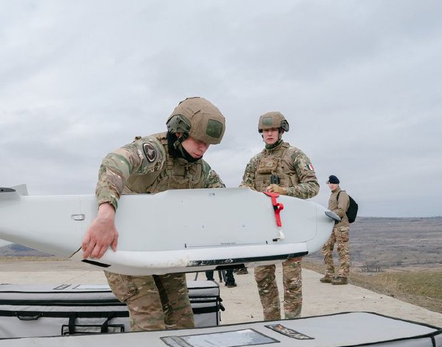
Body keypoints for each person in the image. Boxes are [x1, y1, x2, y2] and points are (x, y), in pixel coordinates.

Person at [82, 97, 226, 331]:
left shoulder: (199, 169)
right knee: (149, 315)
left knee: (181, 317)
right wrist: (106, 214)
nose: (203, 148)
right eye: (199, 141)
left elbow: (222, 199)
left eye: (208, 144)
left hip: (162, 247)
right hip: (125, 248)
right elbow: (115, 162)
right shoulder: (154, 151)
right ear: (179, 131)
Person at [240, 111, 319, 321]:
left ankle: (293, 322)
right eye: (266, 130)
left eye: (273, 129)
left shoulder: (295, 155)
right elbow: (245, 188)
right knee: (263, 279)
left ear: (281, 131)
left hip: (291, 227)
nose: (269, 134)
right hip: (263, 229)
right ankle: (271, 322)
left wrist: (285, 192)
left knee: (291, 282)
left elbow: (313, 186)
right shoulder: (255, 161)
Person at [320, 175, 350, 285]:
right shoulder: (332, 194)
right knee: (326, 248)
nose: (331, 185)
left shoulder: (342, 194)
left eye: (334, 183)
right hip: (332, 225)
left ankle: (343, 276)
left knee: (342, 250)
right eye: (330, 183)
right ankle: (329, 274)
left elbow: (341, 210)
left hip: (341, 226)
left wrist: (329, 215)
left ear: (337, 183)